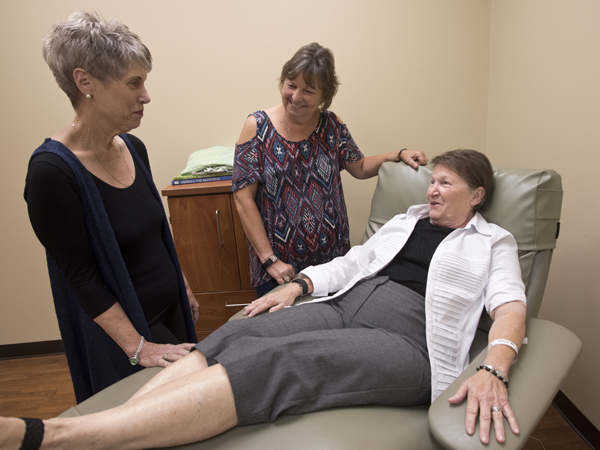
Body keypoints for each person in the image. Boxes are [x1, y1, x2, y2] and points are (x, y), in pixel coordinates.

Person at [2, 149, 526, 449]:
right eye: (431, 181)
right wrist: (296, 287)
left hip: (407, 340)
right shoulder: (405, 221)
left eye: (446, 183)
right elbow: (353, 263)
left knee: (283, 359)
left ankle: (57, 436)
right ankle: (117, 430)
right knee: (239, 331)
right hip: (345, 304)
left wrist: (494, 367)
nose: (431, 190)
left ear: (476, 195)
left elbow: (510, 308)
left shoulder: (492, 241)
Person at [23, 11, 198, 403]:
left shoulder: (133, 148)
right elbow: (81, 277)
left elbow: (156, 232)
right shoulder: (51, 172)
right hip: (130, 334)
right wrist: (140, 349)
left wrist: (182, 284)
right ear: (85, 82)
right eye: (133, 83)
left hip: (170, 311)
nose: (146, 95)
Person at [233, 42, 428, 297]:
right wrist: (269, 260)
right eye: (291, 85)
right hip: (279, 267)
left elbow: (359, 167)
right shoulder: (257, 127)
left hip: (332, 265)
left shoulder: (332, 125)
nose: (295, 96)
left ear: (324, 97)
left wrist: (398, 154)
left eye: (308, 91)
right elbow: (242, 198)